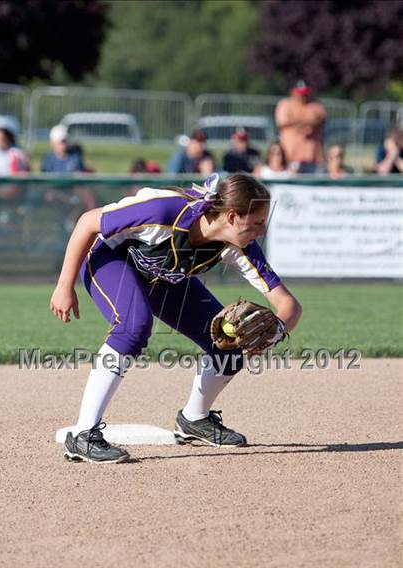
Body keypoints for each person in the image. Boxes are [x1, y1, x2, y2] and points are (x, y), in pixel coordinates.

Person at [50, 172, 302, 463]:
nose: (261, 231)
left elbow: (288, 304)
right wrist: (64, 285)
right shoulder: (164, 211)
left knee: (228, 343)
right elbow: (88, 222)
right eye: (257, 223)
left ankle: (194, 419)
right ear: (232, 216)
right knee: (134, 326)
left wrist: (277, 329)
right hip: (110, 259)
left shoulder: (240, 246)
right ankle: (82, 435)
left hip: (164, 276)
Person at [275, 80, 326, 173]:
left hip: (313, 159)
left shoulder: (316, 106)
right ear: (292, 92)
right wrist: (306, 122)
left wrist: (295, 121)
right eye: (299, 93)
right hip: (290, 159)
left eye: (305, 93)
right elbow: (282, 122)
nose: (302, 96)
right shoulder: (285, 104)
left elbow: (320, 120)